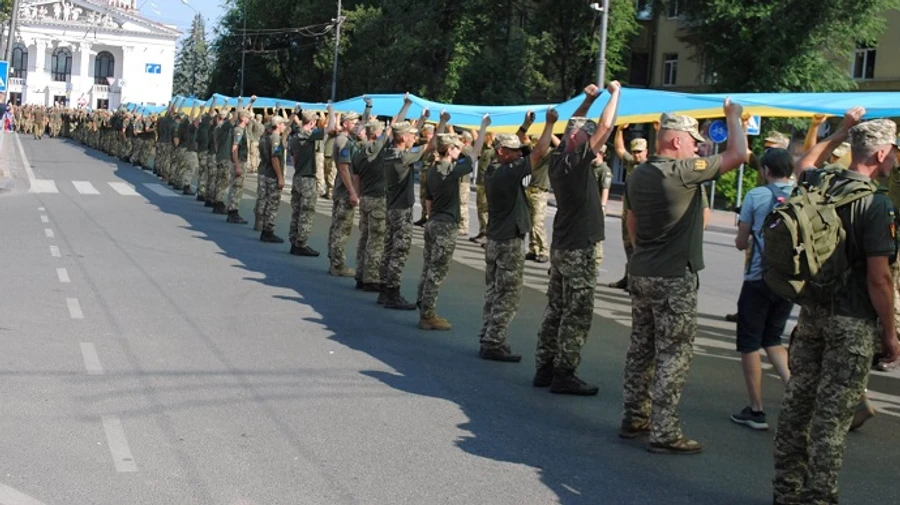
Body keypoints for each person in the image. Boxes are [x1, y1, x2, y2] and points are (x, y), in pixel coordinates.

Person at [773, 112, 900, 505]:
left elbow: (803, 162)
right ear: (880, 154)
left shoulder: (822, 183)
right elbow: (879, 279)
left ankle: (786, 491)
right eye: (894, 151)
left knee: (798, 404)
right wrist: (891, 332)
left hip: (812, 314)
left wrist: (841, 130)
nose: (896, 158)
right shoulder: (876, 205)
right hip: (853, 322)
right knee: (832, 416)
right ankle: (819, 497)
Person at [620, 98, 747, 454]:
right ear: (677, 142)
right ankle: (664, 431)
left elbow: (631, 223)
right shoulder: (681, 171)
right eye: (693, 140)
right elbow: (739, 154)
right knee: (674, 353)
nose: (697, 146)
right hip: (673, 276)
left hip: (643, 270)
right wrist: (733, 117)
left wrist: (643, 251)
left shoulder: (639, 173)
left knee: (641, 348)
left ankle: (634, 417)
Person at [533, 81, 621, 395]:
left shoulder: (559, 159)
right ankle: (564, 372)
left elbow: (575, 126)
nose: (593, 136)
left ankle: (544, 367)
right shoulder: (576, 160)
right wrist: (615, 94)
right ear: (581, 140)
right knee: (577, 311)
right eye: (589, 133)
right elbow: (607, 125)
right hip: (579, 246)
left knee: (556, 307)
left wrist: (587, 101)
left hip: (562, 244)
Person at [479, 110, 554, 362]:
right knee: (508, 293)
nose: (517, 154)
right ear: (502, 152)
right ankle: (493, 341)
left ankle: (487, 334)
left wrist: (525, 125)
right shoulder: (508, 173)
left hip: (495, 238)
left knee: (493, 290)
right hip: (508, 240)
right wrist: (550, 123)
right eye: (512, 151)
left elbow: (521, 147)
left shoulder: (494, 167)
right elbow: (539, 151)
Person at [730, 148, 794, 431]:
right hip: (789, 281)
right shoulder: (803, 195)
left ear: (766, 170)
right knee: (773, 338)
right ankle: (796, 396)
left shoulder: (756, 196)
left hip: (758, 279)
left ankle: (756, 410)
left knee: (750, 343)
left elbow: (742, 242)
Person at [378, 107, 442, 310]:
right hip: (401, 209)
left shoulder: (389, 151)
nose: (415, 139)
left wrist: (422, 118)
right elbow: (431, 145)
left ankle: (384, 289)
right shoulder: (404, 157)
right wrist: (441, 123)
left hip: (391, 207)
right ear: (404, 137)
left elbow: (399, 133)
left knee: (388, 248)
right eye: (412, 136)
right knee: (400, 251)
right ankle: (392, 292)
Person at [417, 122, 473, 330]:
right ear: (450, 150)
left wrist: (431, 219)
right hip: (445, 224)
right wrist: (463, 147)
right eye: (455, 147)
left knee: (428, 267)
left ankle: (423, 304)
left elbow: (429, 200)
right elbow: (471, 157)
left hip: (434, 222)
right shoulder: (450, 170)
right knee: (437, 271)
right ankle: (428, 315)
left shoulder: (432, 170)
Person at [327, 99, 371, 277]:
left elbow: (363, 126)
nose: (357, 125)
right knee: (342, 228)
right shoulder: (344, 141)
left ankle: (334, 259)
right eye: (353, 122)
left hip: (342, 189)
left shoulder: (346, 138)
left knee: (337, 226)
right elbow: (344, 168)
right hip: (345, 191)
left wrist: (368, 108)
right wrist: (353, 192)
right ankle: (338, 264)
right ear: (345, 124)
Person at [609, 127, 648, 290]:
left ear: (646, 151)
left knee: (640, 247)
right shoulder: (631, 163)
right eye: (634, 152)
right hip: (628, 211)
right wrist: (619, 130)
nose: (636, 154)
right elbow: (619, 148)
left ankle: (638, 281)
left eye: (639, 151)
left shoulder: (652, 166)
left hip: (642, 214)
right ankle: (629, 277)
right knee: (628, 245)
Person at [288, 108, 330, 257]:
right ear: (312, 122)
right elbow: (329, 129)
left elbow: (292, 158)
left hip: (298, 176)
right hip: (307, 178)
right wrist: (331, 110)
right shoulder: (308, 135)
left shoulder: (294, 137)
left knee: (297, 211)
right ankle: (302, 243)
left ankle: (294, 241)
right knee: (307, 212)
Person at [255, 116, 287, 243]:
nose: (284, 126)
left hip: (266, 172)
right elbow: (275, 158)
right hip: (272, 174)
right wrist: (280, 177)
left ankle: (263, 226)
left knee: (265, 200)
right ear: (278, 125)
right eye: (283, 124)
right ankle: (268, 230)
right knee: (272, 204)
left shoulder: (267, 137)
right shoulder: (275, 138)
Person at [469, 132, 496, 245]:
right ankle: (482, 230)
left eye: (485, 135)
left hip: (487, 183)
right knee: (481, 209)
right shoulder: (485, 148)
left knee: (485, 209)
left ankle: (487, 234)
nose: (483, 137)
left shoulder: (494, 150)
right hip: (481, 183)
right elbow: (476, 137)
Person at [226, 109, 252, 224]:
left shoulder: (241, 130)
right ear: (243, 118)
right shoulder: (239, 131)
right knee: (236, 187)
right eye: (248, 117)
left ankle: (233, 210)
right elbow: (234, 148)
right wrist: (237, 165)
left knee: (238, 188)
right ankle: (233, 211)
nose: (249, 119)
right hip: (239, 161)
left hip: (241, 161)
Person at [593, 146, 613, 269]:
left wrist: (603, 206)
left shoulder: (604, 170)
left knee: (596, 235)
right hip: (587, 206)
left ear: (601, 154)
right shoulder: (590, 167)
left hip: (597, 207)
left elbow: (605, 189)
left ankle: (596, 261)